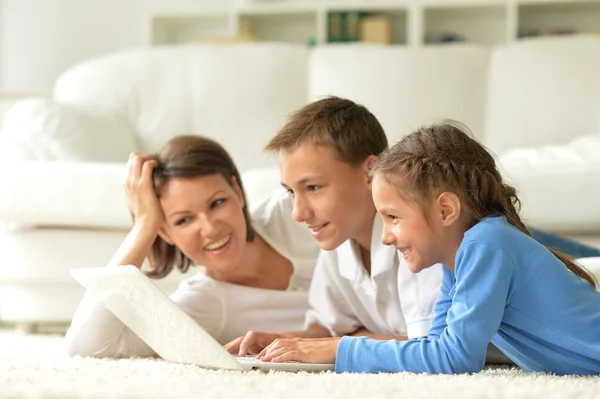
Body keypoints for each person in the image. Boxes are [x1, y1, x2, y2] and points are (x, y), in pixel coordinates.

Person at [225, 96, 600, 359]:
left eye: (313, 188)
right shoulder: (339, 241)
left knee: (587, 268)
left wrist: (343, 344)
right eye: (290, 192)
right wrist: (285, 341)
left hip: (539, 257)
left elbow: (441, 350)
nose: (298, 212)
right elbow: (330, 328)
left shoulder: (438, 240)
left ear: (370, 171)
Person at [65, 135, 320, 357]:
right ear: (165, 232)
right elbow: (86, 346)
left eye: (217, 203)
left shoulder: (295, 213)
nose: (210, 228)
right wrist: (143, 227)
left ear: (238, 193)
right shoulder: (204, 303)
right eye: (184, 220)